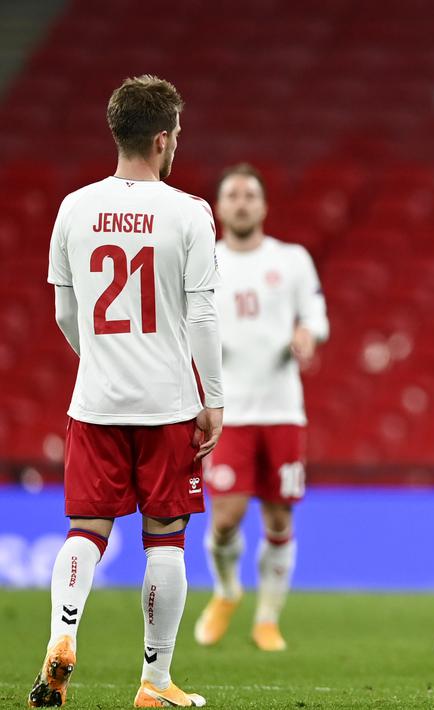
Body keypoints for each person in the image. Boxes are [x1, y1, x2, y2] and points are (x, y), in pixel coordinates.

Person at [33, 74, 222, 708]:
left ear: (118, 132)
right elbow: (201, 316)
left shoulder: (73, 207)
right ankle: (154, 680)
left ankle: (63, 636)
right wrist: (212, 398)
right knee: (165, 537)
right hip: (167, 402)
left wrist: (102, 357)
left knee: (85, 530)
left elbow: (64, 311)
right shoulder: (190, 212)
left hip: (97, 399)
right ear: (164, 139)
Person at [194, 163, 329, 652]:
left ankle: (268, 619)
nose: (242, 202)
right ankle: (227, 591)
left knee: (278, 520)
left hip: (282, 409)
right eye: (232, 194)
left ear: (264, 206)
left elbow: (316, 316)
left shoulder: (291, 259)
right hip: (229, 409)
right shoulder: (203, 260)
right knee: (225, 517)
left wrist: (306, 334)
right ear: (219, 206)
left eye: (251, 194)